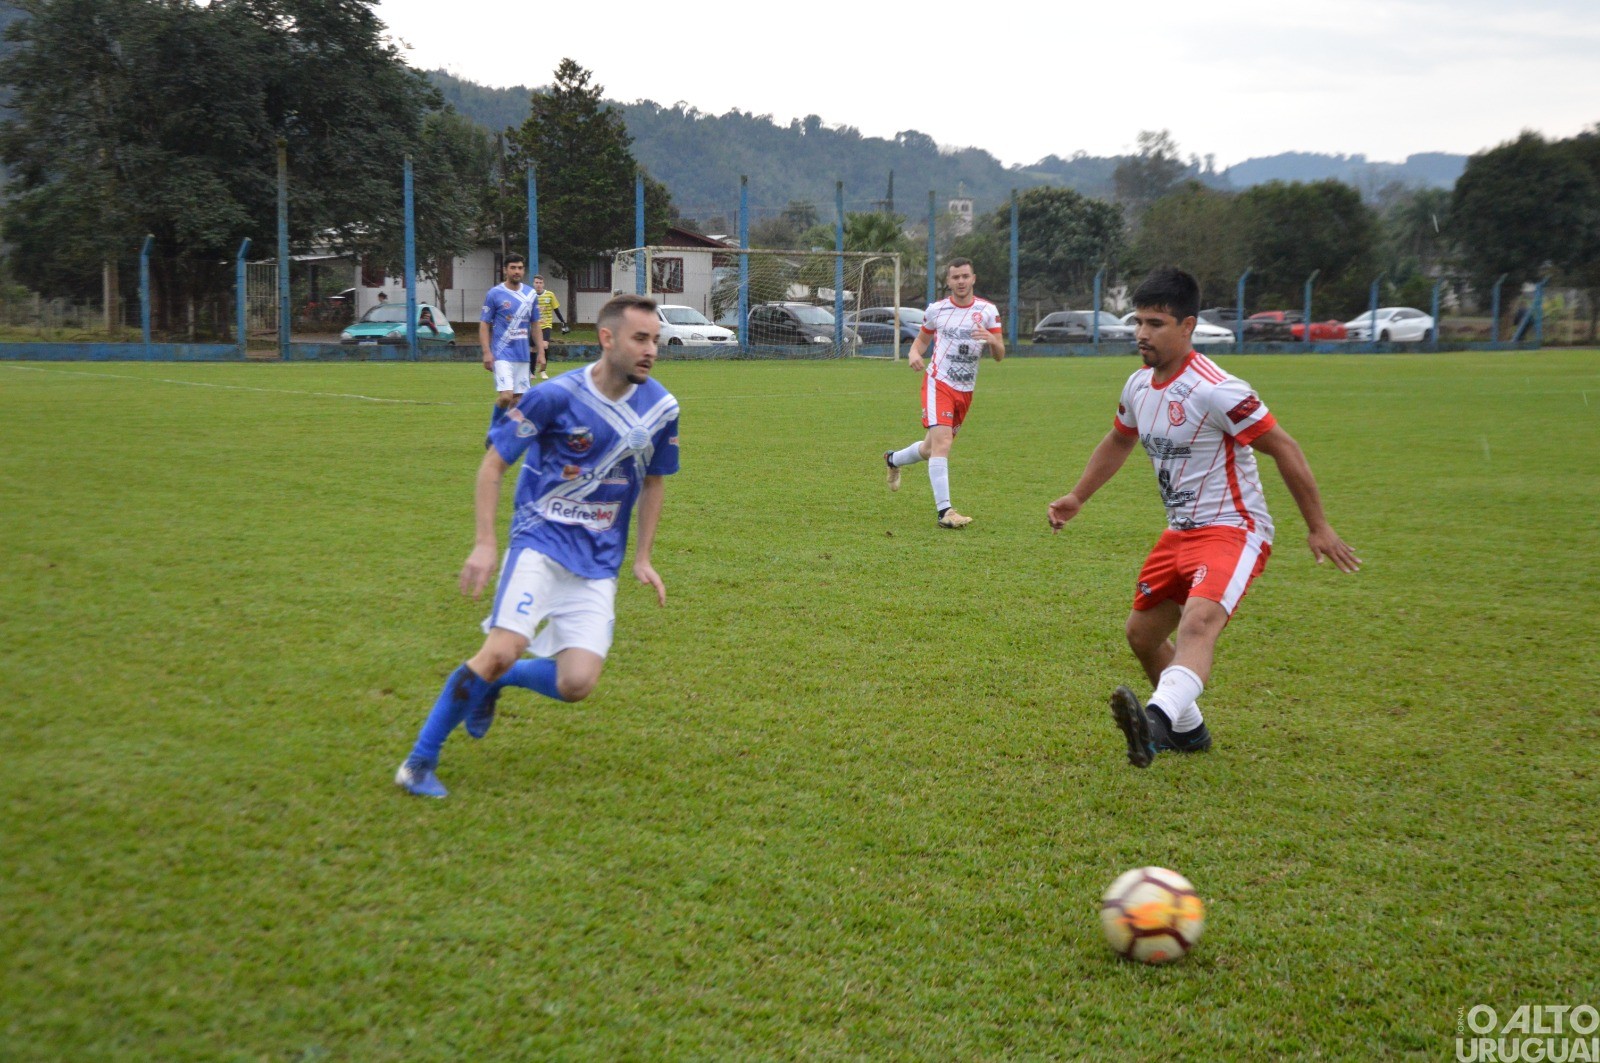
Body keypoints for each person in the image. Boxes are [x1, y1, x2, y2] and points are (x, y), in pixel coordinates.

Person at [1045, 266, 1361, 768]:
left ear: (1188, 327)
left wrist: (1318, 526)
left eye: (1156, 323)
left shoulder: (1219, 389)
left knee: (1199, 622)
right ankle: (1188, 733)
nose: (1142, 334)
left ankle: (1155, 721)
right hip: (1179, 533)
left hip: (1235, 529)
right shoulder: (1137, 385)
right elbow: (1119, 439)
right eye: (1139, 322)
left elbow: (1286, 450)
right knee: (1142, 635)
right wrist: (1078, 496)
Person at [396, 293, 680, 798]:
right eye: (641, 338)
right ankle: (419, 762)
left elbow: (655, 481)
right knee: (501, 648)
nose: (651, 349)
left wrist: (642, 557)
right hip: (540, 541)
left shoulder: (661, 407)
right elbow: (493, 463)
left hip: (597, 563)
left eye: (656, 339)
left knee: (577, 684)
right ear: (607, 338)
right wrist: (486, 543)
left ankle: (498, 683)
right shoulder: (556, 396)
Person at [881, 258, 1004, 528]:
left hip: (965, 390)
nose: (960, 281)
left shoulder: (987, 311)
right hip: (939, 383)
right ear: (948, 282)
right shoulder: (937, 310)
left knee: (929, 449)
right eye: (955, 277)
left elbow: (999, 355)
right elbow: (922, 341)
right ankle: (945, 512)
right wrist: (913, 354)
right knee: (943, 445)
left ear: (973, 279)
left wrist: (993, 340)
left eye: (965, 276)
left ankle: (893, 459)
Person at [479, 254, 546, 441]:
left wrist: (541, 351)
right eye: (513, 268)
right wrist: (486, 352)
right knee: (506, 396)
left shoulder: (531, 294)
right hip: (502, 353)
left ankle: (506, 436)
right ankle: (494, 431)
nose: (517, 271)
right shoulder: (494, 294)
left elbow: (535, 324)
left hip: (523, 355)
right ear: (505, 270)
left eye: (520, 268)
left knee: (518, 401)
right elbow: (484, 323)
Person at [532, 274, 569, 380]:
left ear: (543, 284)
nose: (538, 285)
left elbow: (556, 310)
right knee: (534, 348)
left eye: (540, 283)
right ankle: (532, 371)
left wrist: (563, 322)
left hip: (546, 325)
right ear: (534, 284)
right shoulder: (530, 295)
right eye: (536, 283)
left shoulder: (550, 295)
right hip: (534, 326)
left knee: (545, 345)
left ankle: (543, 370)